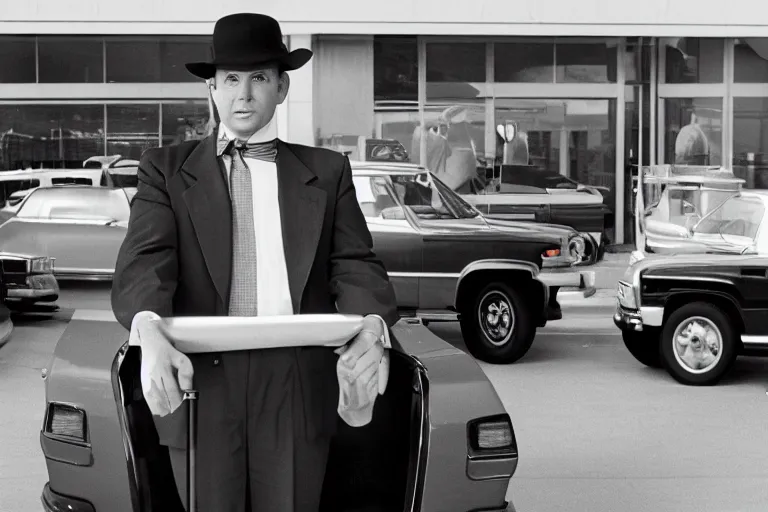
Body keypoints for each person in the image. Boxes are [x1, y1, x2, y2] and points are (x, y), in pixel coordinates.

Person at [110, 12, 399, 512]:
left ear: (282, 88)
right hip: (201, 381)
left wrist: (373, 326)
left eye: (259, 78)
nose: (243, 95)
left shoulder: (328, 172)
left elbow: (355, 262)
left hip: (294, 382)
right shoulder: (165, 170)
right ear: (213, 89)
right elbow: (145, 263)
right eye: (231, 80)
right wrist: (147, 328)